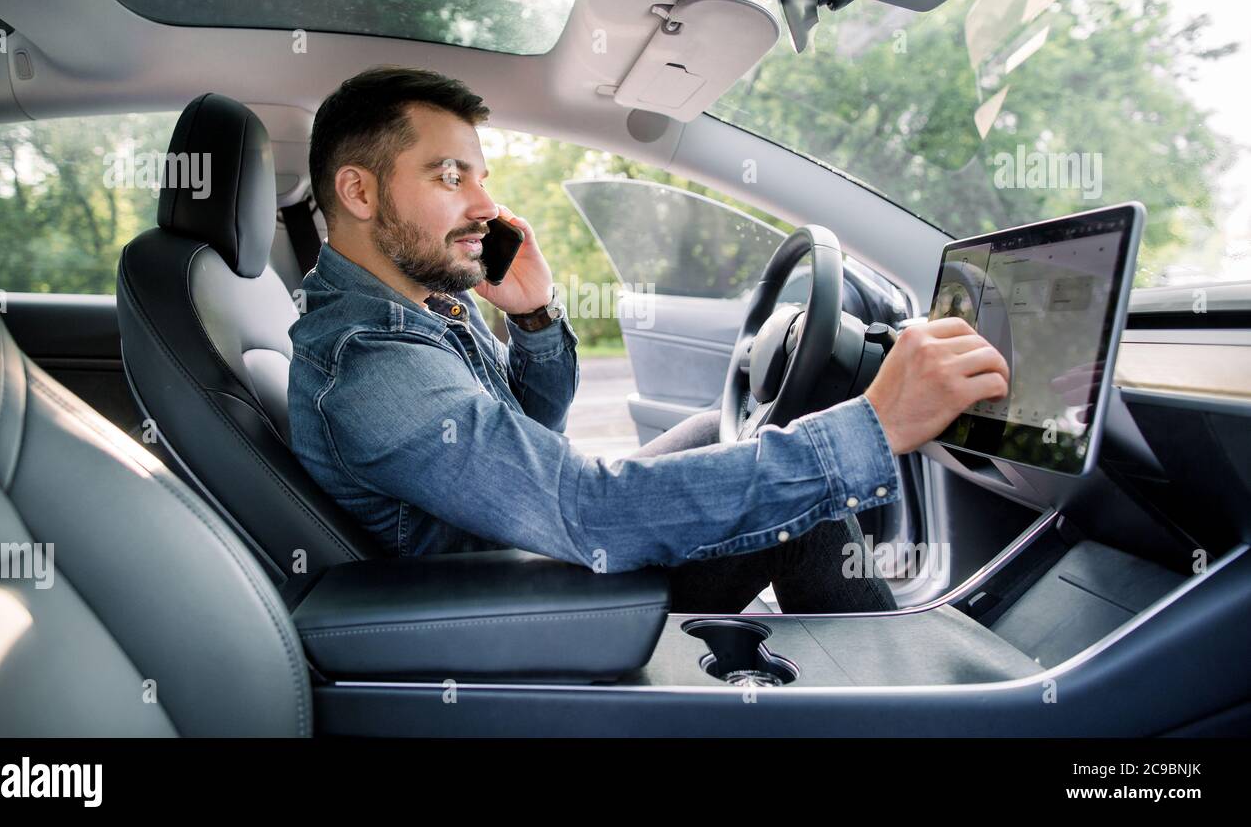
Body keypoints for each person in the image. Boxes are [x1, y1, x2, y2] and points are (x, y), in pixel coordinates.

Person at [287, 65, 1011, 614]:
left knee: (730, 436)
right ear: (359, 192)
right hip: (513, 606)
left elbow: (530, 430)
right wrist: (874, 427)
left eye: (482, 178)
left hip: (523, 544)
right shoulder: (371, 363)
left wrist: (535, 315)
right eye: (451, 177)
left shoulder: (424, 302)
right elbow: (586, 510)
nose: (484, 206)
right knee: (802, 495)